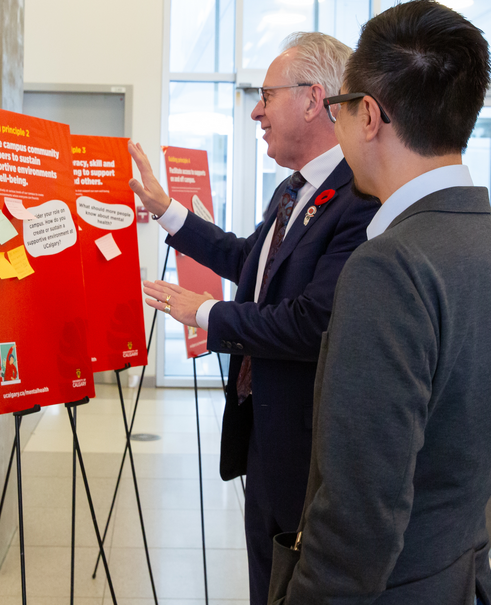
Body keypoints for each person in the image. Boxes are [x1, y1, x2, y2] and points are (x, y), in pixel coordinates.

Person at [272, 0, 491, 605]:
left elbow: (358, 516)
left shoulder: (389, 268)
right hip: (458, 576)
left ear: (368, 115)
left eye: (339, 108)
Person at [129, 32, 379, 605]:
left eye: (267, 95)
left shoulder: (357, 199)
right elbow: (251, 261)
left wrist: (208, 313)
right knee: (267, 579)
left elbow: (312, 322)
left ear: (314, 99)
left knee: (297, 581)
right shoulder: (294, 190)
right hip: (265, 433)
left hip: (308, 444)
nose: (255, 111)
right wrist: (167, 211)